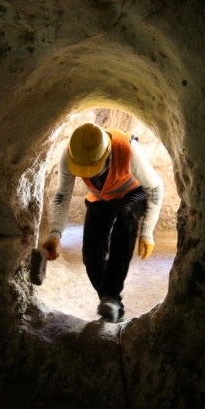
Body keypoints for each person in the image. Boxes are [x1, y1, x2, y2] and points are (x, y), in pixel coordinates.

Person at [41, 122, 164, 323]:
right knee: (91, 254)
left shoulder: (127, 149)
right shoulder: (71, 153)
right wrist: (54, 234)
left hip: (132, 193)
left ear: (107, 154)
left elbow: (156, 187)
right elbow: (63, 194)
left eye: (92, 169)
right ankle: (111, 304)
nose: (87, 175)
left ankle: (112, 297)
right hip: (100, 197)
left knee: (125, 221)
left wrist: (147, 233)